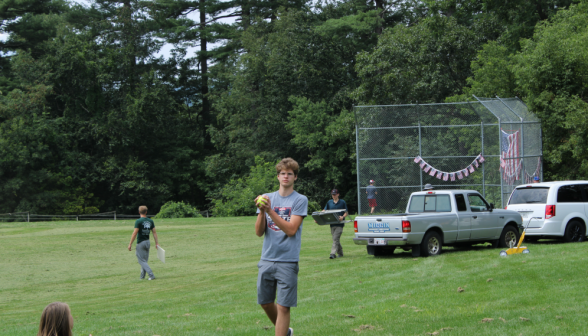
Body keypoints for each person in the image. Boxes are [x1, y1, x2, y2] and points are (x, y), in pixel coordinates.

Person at [254, 158, 308, 336]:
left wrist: (270, 211)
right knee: (265, 302)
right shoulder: (267, 198)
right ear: (278, 176)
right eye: (283, 173)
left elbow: (291, 229)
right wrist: (262, 211)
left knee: (284, 307)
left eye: (289, 174)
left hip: (287, 260)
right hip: (267, 258)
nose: (286, 176)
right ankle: (286, 332)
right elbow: (259, 232)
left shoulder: (300, 200)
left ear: (295, 177)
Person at [128, 205, 160, 280]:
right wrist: (156, 243)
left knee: (141, 260)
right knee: (144, 260)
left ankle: (151, 275)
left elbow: (134, 233)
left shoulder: (138, 221)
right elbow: (154, 233)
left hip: (141, 242)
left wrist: (130, 244)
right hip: (147, 242)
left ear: (139, 212)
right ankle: (142, 277)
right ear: (146, 212)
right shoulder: (150, 221)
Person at [323, 189, 348, 259]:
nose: (333, 196)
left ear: (338, 194)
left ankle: (332, 254)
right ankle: (340, 253)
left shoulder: (342, 202)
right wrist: (318, 217)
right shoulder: (329, 202)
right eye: (332, 194)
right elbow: (324, 210)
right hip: (332, 224)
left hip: (340, 224)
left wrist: (342, 217)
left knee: (335, 239)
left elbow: (346, 212)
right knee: (336, 239)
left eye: (335, 194)